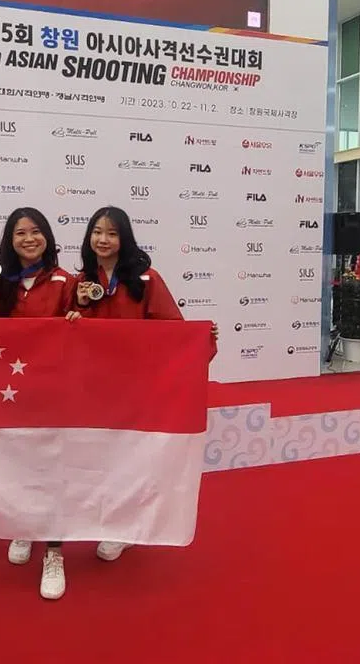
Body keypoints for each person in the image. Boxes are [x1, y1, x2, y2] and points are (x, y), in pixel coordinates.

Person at [73, 206, 218, 563]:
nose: (102, 240)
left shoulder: (147, 279)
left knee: (128, 457)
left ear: (124, 239)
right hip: (94, 388)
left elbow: (172, 328)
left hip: (135, 390)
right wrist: (73, 315)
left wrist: (199, 337)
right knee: (99, 456)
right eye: (97, 232)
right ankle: (102, 518)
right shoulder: (81, 282)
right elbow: (64, 332)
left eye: (111, 233)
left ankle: (123, 527)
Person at [0, 207, 79, 600]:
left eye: (35, 232)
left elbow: (85, 329)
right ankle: (23, 526)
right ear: (9, 241)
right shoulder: (2, 281)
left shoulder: (68, 281)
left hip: (54, 391)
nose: (28, 239)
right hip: (11, 392)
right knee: (17, 462)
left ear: (47, 236)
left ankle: (54, 549)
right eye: (19, 233)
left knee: (53, 466)